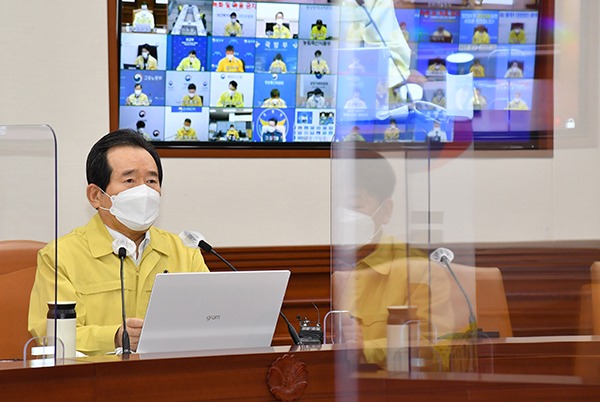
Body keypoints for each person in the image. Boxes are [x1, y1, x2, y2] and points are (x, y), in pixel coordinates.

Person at [28, 130, 209, 356]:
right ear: (96, 196)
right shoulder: (60, 256)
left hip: (169, 372)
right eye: (129, 180)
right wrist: (114, 336)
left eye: (151, 181)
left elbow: (210, 321)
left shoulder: (185, 252)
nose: (144, 191)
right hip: (96, 375)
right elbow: (52, 335)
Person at [331, 153, 453, 367]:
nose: (344, 216)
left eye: (355, 206)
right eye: (338, 208)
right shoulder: (334, 266)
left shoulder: (419, 270)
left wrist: (366, 349)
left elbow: (434, 345)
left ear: (385, 211)